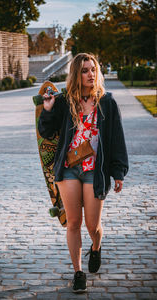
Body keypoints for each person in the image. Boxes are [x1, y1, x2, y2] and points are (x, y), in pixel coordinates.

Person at [38, 53, 128, 293]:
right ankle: (78, 272)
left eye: (93, 69)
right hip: (69, 168)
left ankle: (96, 246)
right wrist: (47, 109)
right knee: (74, 222)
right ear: (76, 74)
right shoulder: (65, 101)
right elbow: (46, 133)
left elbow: (117, 140)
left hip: (94, 171)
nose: (91, 74)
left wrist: (118, 172)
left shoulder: (107, 102)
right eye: (85, 70)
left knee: (92, 225)